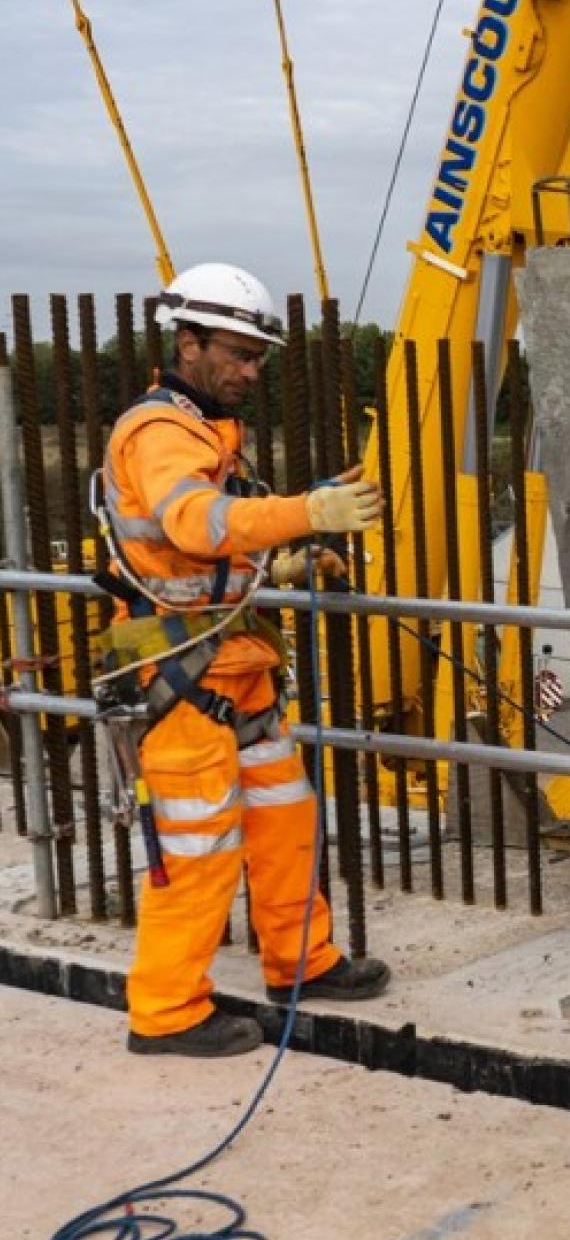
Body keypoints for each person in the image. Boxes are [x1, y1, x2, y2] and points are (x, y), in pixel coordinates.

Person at [97, 263, 391, 1058]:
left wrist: (288, 559)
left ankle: (302, 961)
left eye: (260, 356)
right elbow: (194, 523)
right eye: (237, 352)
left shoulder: (209, 430)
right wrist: (306, 511)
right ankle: (165, 1013)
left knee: (287, 817)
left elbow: (207, 557)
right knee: (198, 844)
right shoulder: (158, 433)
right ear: (185, 343)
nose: (252, 371)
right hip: (178, 669)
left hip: (232, 658)